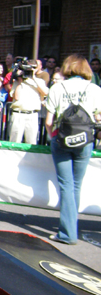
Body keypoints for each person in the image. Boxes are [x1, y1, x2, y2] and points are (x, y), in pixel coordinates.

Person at [44, 55, 101, 245]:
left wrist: (53, 137)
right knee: (76, 185)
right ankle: (70, 227)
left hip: (62, 140)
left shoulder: (57, 88)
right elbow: (99, 118)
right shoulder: (94, 89)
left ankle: (68, 233)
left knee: (66, 185)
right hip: (85, 141)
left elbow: (49, 121)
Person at [8, 61, 47, 144]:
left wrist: (33, 78)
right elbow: (16, 97)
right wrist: (20, 81)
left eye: (34, 68)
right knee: (14, 142)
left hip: (32, 115)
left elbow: (45, 93)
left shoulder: (40, 81)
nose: (31, 70)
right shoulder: (18, 81)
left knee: (31, 142)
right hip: (18, 114)